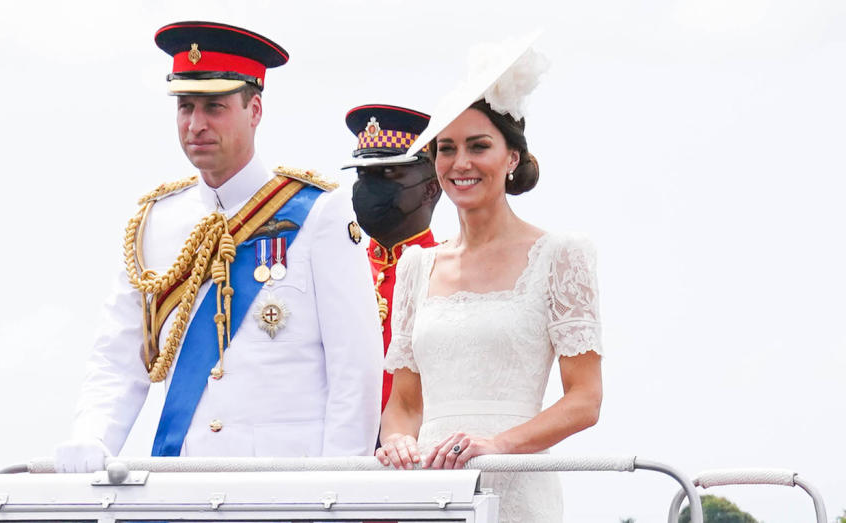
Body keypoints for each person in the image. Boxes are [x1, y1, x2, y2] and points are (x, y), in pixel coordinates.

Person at [54, 21, 383, 473]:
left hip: (283, 492)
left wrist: (336, 494)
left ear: (255, 110)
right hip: (183, 483)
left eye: (214, 107)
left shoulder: (320, 214)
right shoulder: (154, 222)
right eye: (185, 107)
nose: (196, 125)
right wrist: (92, 436)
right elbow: (118, 354)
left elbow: (356, 372)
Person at [374, 35, 604, 522]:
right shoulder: (417, 267)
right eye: (447, 149)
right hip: (434, 493)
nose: (461, 163)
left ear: (512, 157)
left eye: (478, 146)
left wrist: (497, 446)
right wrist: (396, 442)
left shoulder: (560, 255)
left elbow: (585, 400)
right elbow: (405, 404)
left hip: (518, 487)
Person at [342, 104, 441, 411]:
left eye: (388, 173)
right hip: (341, 450)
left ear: (430, 189)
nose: (370, 187)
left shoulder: (447, 271)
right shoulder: (341, 268)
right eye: (364, 174)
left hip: (418, 450)